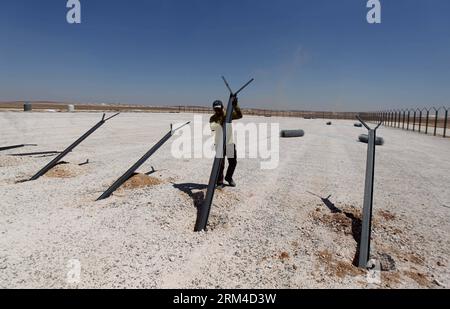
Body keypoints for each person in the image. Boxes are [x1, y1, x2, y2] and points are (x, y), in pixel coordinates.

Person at [209, 97, 243, 187]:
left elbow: (240, 115)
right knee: (220, 164)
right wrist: (222, 119)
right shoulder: (213, 118)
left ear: (222, 107)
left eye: (219, 108)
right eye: (216, 109)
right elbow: (213, 127)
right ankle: (219, 182)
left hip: (229, 143)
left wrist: (235, 106)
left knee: (233, 162)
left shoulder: (228, 114)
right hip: (219, 144)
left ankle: (229, 177)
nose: (217, 110)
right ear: (213, 109)